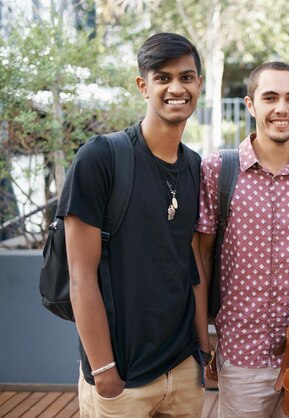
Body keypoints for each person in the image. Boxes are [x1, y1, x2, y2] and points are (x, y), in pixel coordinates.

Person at [60, 33, 210, 417]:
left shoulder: (194, 166)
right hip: (122, 380)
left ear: (198, 85)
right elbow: (80, 277)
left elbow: (189, 262)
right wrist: (105, 373)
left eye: (186, 77)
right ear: (143, 86)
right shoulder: (100, 158)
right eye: (163, 77)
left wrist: (201, 351)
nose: (176, 87)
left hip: (182, 369)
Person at [194, 61, 289, 418]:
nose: (281, 108)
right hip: (241, 355)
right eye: (270, 98)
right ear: (251, 104)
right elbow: (201, 258)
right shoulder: (218, 170)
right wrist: (203, 334)